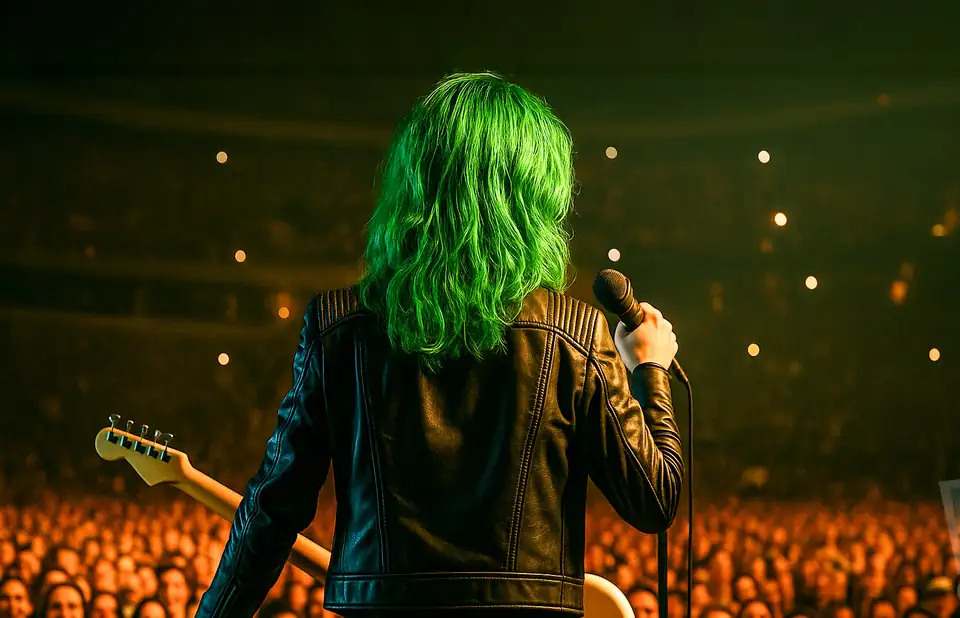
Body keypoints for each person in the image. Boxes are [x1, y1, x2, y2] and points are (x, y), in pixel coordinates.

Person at [195, 71, 684, 618]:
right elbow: (654, 498)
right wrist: (649, 369)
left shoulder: (338, 328)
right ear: (535, 194)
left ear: (414, 183)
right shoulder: (576, 335)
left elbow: (271, 511)